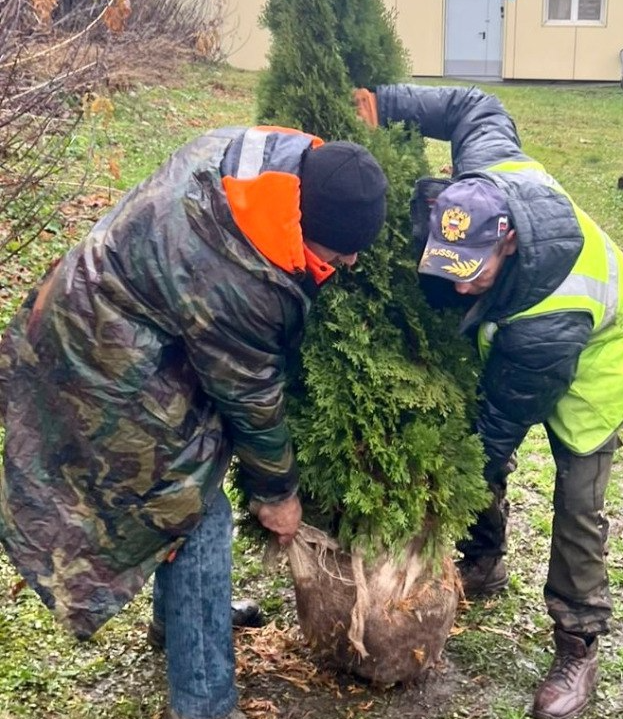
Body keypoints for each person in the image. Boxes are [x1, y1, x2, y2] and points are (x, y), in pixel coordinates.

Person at [0, 126, 388, 719]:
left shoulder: (257, 164)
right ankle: (205, 702)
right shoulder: (240, 279)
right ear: (306, 224)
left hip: (120, 312)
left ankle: (178, 620)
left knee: (190, 489)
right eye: (339, 253)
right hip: (100, 357)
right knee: (193, 509)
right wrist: (277, 495)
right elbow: (251, 397)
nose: (352, 263)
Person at [355, 84, 623, 719]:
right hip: (516, 326)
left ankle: (579, 643)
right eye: (449, 263)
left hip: (601, 349)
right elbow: (474, 107)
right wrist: (385, 102)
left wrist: (434, 511)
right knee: (474, 430)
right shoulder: (490, 175)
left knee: (575, 495)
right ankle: (484, 561)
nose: (458, 282)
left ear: (509, 240)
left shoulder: (548, 320)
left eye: (472, 270)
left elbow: (493, 434)